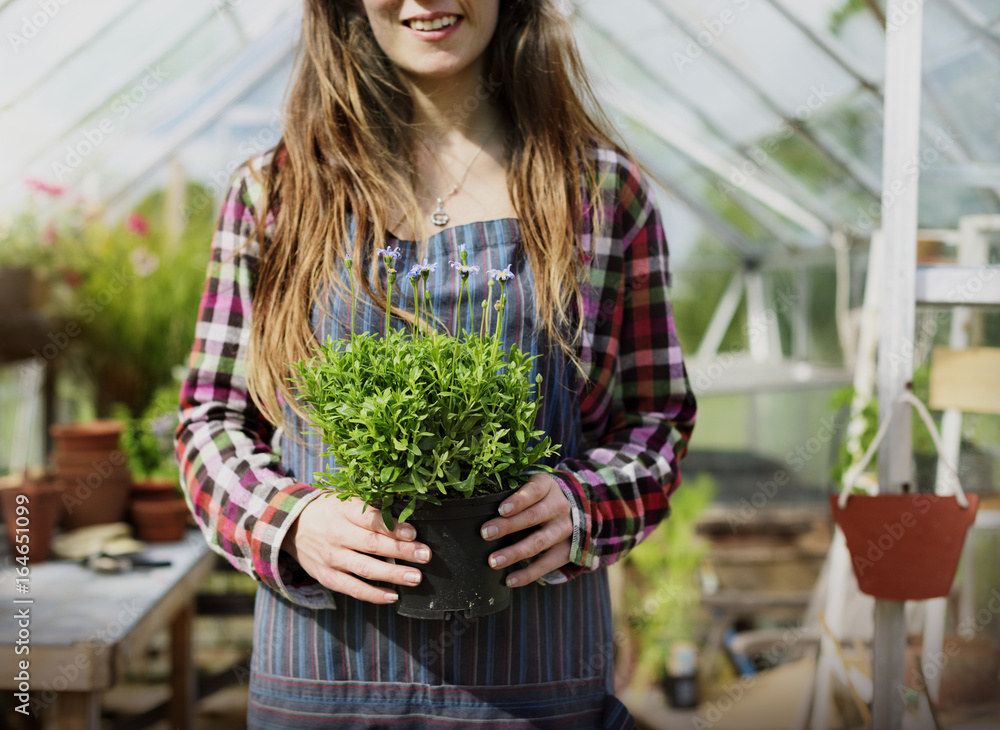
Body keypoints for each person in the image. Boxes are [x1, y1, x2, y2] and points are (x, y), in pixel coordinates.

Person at [175, 1, 697, 727]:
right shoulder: (277, 192)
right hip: (324, 687)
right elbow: (211, 418)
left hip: (534, 690)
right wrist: (291, 522)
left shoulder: (599, 195)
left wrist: (581, 505)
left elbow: (657, 419)